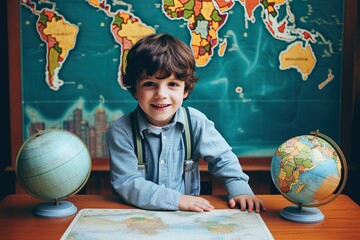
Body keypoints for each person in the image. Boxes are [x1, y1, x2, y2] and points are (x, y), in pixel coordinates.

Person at [108, 33, 265, 213]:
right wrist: (177, 200)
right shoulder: (121, 131)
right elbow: (127, 183)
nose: (161, 94)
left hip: (187, 217)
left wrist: (240, 189)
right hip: (140, 216)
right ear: (135, 89)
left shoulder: (196, 122)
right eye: (150, 84)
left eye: (172, 84)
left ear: (186, 90)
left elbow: (224, 159)